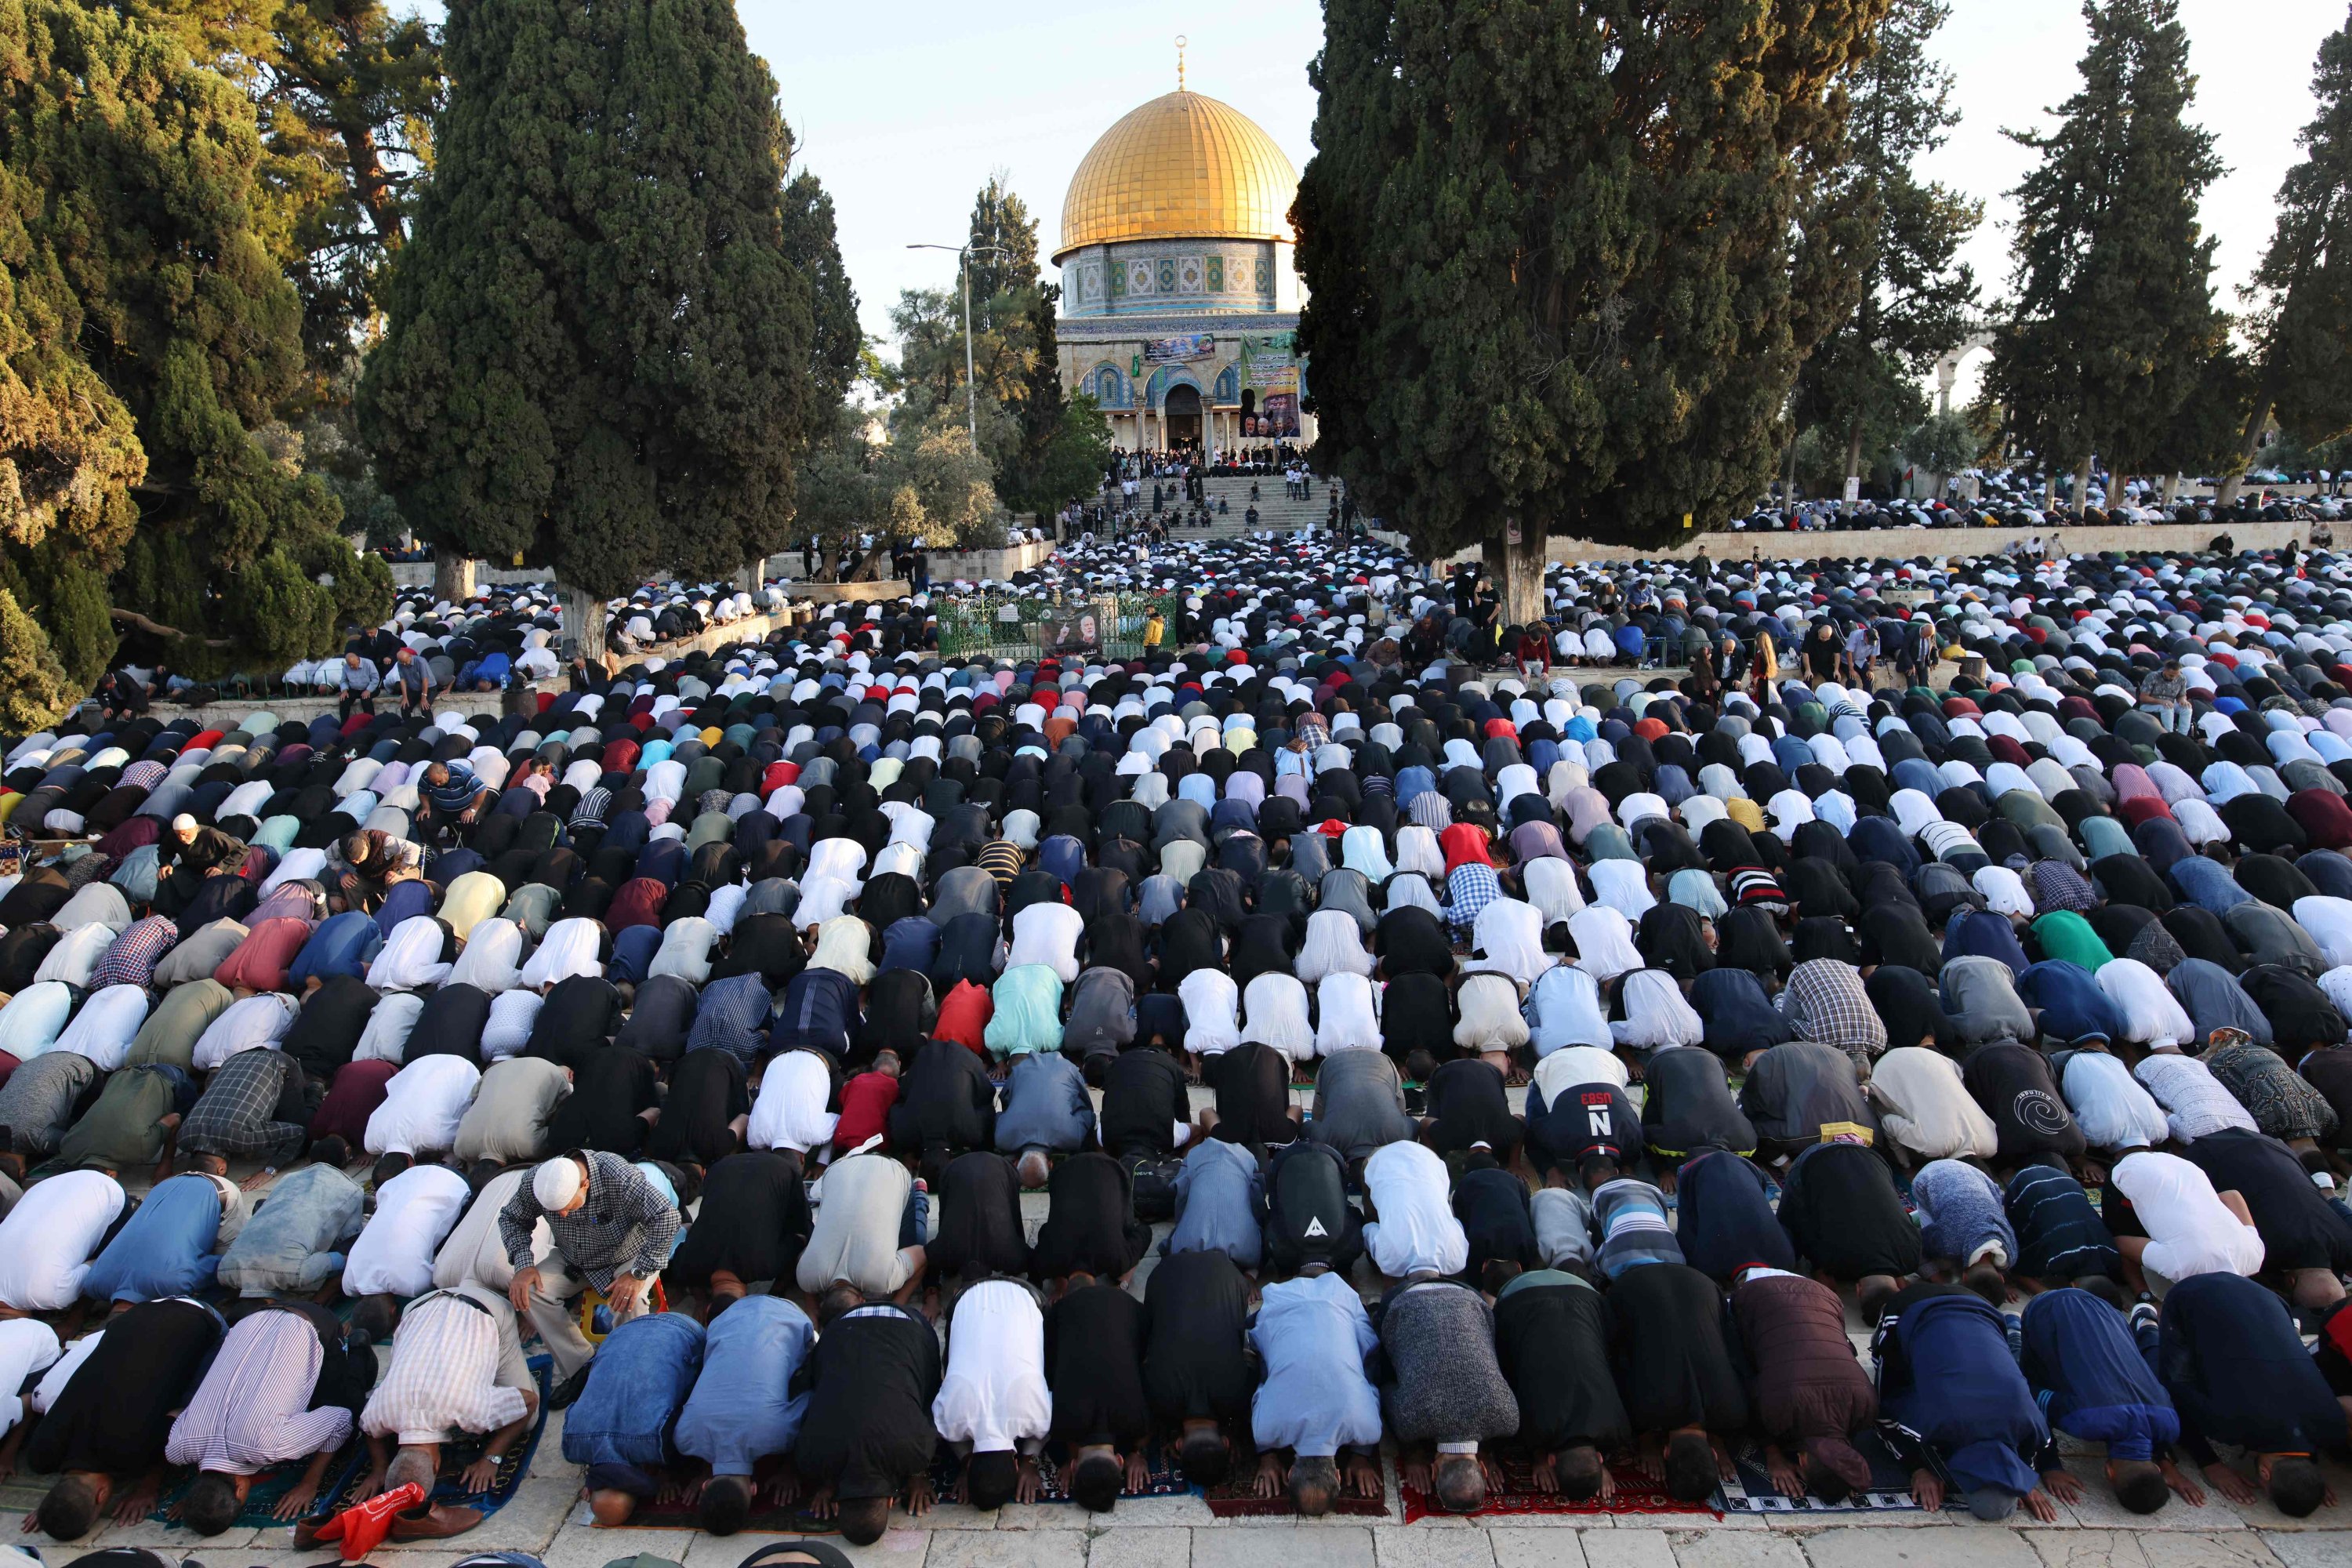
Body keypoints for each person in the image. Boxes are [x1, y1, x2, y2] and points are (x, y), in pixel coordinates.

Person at [2143, 1269, 2352, 1515]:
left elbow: (2306, 1434)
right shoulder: (2229, 1426)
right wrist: (2210, 1464)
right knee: (2171, 1377)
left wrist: (2307, 1482)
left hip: (2265, 1297)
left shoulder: (2332, 1424)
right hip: (2192, 1295)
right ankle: (2145, 1327)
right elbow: (2178, 1399)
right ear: (2264, 1474)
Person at [165, 1299, 379, 1534]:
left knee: (346, 1426)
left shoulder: (268, 1446)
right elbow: (178, 1414)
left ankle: (358, 1351)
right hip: (251, 1320)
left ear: (239, 1490)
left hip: (311, 1322)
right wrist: (201, 1499)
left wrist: (309, 1484)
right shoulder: (178, 1448)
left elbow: (340, 1419)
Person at [23, 1296, 226, 1538]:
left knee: (191, 1405)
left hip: (202, 1318)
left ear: (101, 1497)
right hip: (136, 1312)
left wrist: (148, 1487)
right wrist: (57, 1507)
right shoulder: (41, 1454)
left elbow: (176, 1430)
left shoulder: (129, 1454)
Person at [350, 1280, 539, 1541]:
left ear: (437, 1465)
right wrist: (380, 1468)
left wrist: (491, 1457)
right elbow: (366, 1424)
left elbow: (529, 1402)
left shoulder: (473, 1413)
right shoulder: (381, 1413)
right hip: (419, 1307)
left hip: (487, 1307)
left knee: (529, 1419)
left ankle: (495, 1367)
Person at [1869, 1279, 2063, 1521]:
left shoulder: (2032, 1424)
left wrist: (2021, 1478)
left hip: (1983, 1309)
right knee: (1884, 1382)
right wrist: (1917, 1468)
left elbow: (2040, 1447)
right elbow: (1883, 1416)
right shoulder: (1935, 1421)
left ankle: (2013, 1326)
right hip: (1912, 1306)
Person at [499, 1151, 683, 1392]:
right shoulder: (538, 1179)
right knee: (531, 1291)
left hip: (627, 1257)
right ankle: (583, 1368)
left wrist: (638, 1273)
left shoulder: (618, 1175)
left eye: (567, 1207)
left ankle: (626, 1373)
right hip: (575, 1259)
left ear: (584, 1185)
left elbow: (667, 1217)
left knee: (631, 1299)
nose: (562, 1215)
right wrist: (523, 1265)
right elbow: (511, 1218)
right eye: (554, 1211)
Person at [2015, 1286, 2190, 1515]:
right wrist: (2048, 1465)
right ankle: (2012, 1329)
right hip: (2047, 1308)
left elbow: (2146, 1429)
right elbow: (2028, 1397)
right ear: (2109, 1473)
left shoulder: (2169, 1423)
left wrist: (2166, 1461)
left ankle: (2145, 1318)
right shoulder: (2085, 1420)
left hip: (2106, 1310)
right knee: (2020, 1376)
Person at [791, 1288, 942, 1544]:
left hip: (911, 1325)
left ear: (891, 1500)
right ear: (837, 1505)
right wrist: (827, 1483)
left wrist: (918, 1476)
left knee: (925, 1393)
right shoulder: (810, 1457)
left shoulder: (915, 1453)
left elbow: (928, 1421)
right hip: (840, 1327)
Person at [1727, 1267, 1877, 1503]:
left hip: (1822, 1294)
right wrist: (1773, 1456)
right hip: (1757, 1292)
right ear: (1802, 1461)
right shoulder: (1779, 1408)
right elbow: (1751, 1406)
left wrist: (1842, 1473)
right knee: (1737, 1354)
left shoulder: (1867, 1406)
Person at [1375, 1274, 1519, 1512]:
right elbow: (1386, 1390)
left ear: (1483, 1468)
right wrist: (1411, 1452)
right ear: (1433, 1470)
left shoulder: (1507, 1419)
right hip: (1403, 1299)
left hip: (1468, 1296)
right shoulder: (1410, 1423)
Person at [1249, 1267, 1385, 1515]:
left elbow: (1371, 1389)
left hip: (1339, 1298)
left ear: (1338, 1475)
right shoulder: (1265, 1431)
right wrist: (1267, 1456)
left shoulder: (1368, 1429)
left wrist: (1361, 1453)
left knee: (1365, 1359)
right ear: (1290, 1473)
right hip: (1282, 1302)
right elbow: (1260, 1390)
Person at [1607, 1261, 1746, 1501]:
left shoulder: (1734, 1413)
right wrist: (1646, 1442)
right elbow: (1619, 1365)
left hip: (1701, 1283)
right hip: (1629, 1287)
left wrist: (1718, 1438)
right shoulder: (1642, 1415)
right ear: (1666, 1451)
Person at [561, 1309, 706, 1525]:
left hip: (685, 1331)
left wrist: (667, 1471)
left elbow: (695, 1420)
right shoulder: (573, 1444)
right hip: (622, 1333)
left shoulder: (656, 1443)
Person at [930, 1275, 1052, 1512]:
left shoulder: (1036, 1416)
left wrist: (1030, 1461)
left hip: (1029, 1297)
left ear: (1015, 1466)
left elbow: (1044, 1429)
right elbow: (946, 1431)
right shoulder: (951, 1418)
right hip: (965, 1298)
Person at [2136, 659, 2192, 735]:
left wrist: (2183, 700)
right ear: (2165, 670)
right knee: (2167, 708)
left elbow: (2181, 695)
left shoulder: (2181, 678)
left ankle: (2183, 735)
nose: (2174, 678)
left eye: (2177, 675)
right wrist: (2161, 702)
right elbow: (2143, 698)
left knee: (2187, 708)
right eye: (2171, 675)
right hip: (2150, 704)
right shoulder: (2153, 677)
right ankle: (2168, 734)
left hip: (2170, 703)